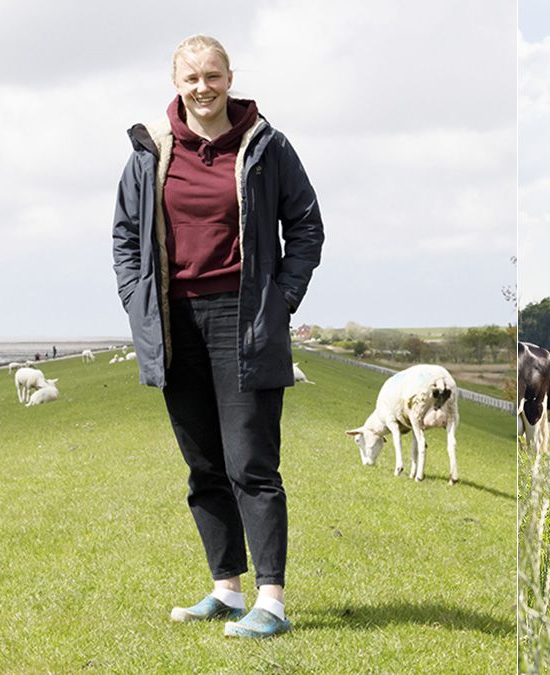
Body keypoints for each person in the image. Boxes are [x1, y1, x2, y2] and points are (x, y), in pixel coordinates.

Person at [112, 35, 324, 638]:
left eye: (213, 75)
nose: (202, 88)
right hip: (175, 324)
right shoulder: (150, 151)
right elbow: (127, 241)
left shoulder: (267, 146)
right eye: (191, 78)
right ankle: (226, 591)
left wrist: (280, 302)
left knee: (251, 463)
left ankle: (272, 602)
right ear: (176, 82)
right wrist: (137, 305)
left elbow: (305, 226)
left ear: (230, 77)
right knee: (203, 466)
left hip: (246, 319)